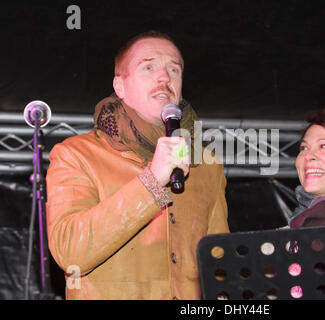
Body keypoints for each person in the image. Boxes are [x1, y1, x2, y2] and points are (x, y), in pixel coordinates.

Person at [45, 30, 229, 300]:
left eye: (174, 69)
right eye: (149, 67)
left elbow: (219, 264)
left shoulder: (207, 165)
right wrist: (152, 181)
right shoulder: (76, 154)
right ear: (120, 87)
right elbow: (69, 251)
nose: (164, 77)